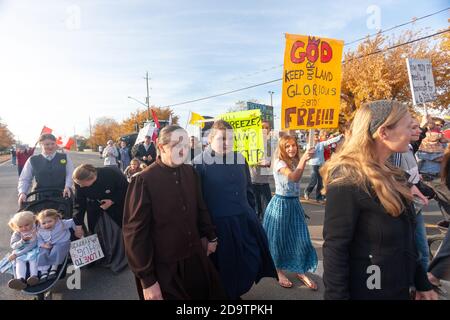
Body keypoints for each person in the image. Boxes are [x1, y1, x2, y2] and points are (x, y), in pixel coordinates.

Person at [321, 100, 437, 300]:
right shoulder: (347, 179)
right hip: (368, 291)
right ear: (383, 132)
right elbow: (336, 249)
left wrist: (421, 281)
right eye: (408, 126)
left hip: (399, 289)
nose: (413, 133)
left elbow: (408, 240)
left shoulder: (397, 175)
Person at [123, 125, 226, 300]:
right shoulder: (143, 180)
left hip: (195, 258)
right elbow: (135, 234)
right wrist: (147, 280)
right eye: (177, 144)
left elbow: (200, 208)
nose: (183, 150)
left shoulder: (190, 172)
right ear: (161, 147)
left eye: (186, 145)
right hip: (165, 268)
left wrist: (211, 237)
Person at [193, 120, 277, 299]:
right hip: (219, 228)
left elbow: (248, 188)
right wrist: (204, 233)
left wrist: (251, 212)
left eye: (230, 139)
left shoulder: (240, 158)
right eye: (222, 139)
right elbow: (197, 204)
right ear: (210, 139)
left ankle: (234, 292)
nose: (227, 143)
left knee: (249, 260)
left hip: (244, 221)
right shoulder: (198, 164)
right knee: (224, 269)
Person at [262, 135, 318, 289]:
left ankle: (300, 270)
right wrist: (304, 160)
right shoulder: (280, 163)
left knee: (301, 238)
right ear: (282, 148)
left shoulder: (293, 161)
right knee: (278, 240)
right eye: (287, 146)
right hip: (280, 205)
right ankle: (278, 270)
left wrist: (302, 160)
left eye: (293, 145)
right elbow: (293, 177)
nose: (292, 148)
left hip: (294, 204)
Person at [72, 164, 128, 273]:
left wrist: (112, 201)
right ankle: (101, 259)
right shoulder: (79, 181)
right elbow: (79, 203)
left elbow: (126, 188)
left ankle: (118, 260)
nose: (80, 187)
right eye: (78, 184)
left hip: (115, 208)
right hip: (94, 210)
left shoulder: (110, 173)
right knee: (97, 234)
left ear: (92, 178)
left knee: (116, 234)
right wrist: (78, 225)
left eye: (82, 184)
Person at [17, 134, 74, 207]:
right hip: (39, 198)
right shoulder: (32, 160)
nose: (50, 146)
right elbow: (25, 179)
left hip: (62, 196)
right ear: (40, 145)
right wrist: (22, 192)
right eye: (47, 144)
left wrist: (68, 186)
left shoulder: (65, 157)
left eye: (52, 144)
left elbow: (70, 174)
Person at [36, 209, 76, 282]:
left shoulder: (61, 224)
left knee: (57, 250)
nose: (47, 224)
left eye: (50, 221)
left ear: (56, 219)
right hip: (47, 244)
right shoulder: (39, 229)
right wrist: (43, 245)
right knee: (42, 252)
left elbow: (72, 222)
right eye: (43, 223)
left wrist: (77, 230)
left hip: (61, 242)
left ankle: (53, 269)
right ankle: (43, 272)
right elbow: (38, 239)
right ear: (40, 223)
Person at [304, 131, 343, 203]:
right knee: (314, 180)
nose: (316, 136)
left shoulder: (321, 144)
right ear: (310, 137)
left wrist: (339, 137)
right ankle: (307, 191)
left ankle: (318, 198)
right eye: (315, 135)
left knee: (320, 182)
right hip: (313, 165)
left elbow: (330, 141)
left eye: (317, 135)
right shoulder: (309, 145)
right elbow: (308, 154)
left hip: (321, 164)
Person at [249, 121, 275, 220]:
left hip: (264, 182)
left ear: (269, 130)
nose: (264, 129)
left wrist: (268, 163)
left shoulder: (270, 145)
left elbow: (275, 163)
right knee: (255, 211)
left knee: (268, 211)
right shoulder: (250, 143)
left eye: (266, 127)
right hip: (252, 181)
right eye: (261, 127)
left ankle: (267, 231)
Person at [7, 211, 39, 290]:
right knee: (19, 262)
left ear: (33, 221)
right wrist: (22, 241)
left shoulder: (36, 229)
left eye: (27, 225)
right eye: (20, 226)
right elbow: (13, 245)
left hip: (33, 249)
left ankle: (33, 277)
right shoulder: (17, 233)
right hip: (21, 250)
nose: (24, 228)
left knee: (33, 259)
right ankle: (20, 279)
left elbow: (33, 244)